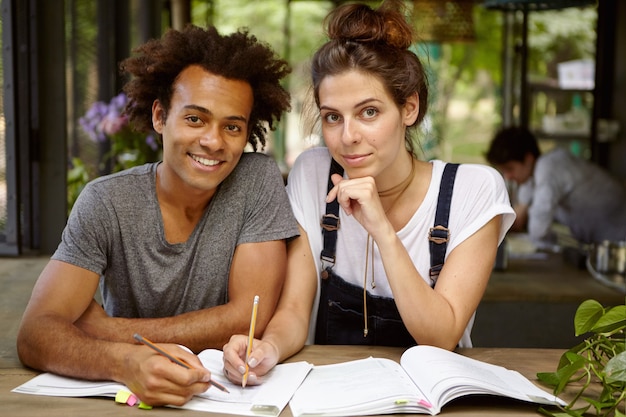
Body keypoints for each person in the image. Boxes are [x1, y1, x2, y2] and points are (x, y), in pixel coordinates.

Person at [222, 0, 515, 386]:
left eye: (369, 112)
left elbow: (441, 336)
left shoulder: (472, 191)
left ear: (409, 108)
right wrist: (267, 349)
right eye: (332, 117)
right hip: (328, 392)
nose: (348, 137)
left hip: (429, 401)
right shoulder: (313, 173)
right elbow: (294, 309)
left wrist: (382, 230)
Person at [16, 25, 298, 406]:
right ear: (160, 117)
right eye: (195, 119)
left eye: (232, 126)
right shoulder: (107, 201)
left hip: (226, 399)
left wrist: (106, 330)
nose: (213, 142)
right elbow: (35, 333)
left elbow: (247, 319)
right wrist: (125, 360)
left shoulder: (256, 181)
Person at [486, 126, 626, 248]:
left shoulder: (549, 167)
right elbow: (516, 218)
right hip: (601, 242)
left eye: (510, 169)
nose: (508, 177)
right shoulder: (532, 176)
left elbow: (538, 230)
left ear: (528, 159)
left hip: (619, 239)